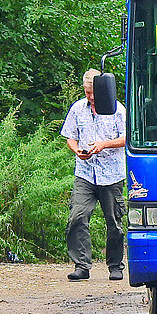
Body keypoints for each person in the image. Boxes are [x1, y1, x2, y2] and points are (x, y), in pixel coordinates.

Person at [60, 68, 127, 281]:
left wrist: (104, 145)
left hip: (112, 174)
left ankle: (115, 266)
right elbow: (70, 136)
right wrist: (77, 150)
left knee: (114, 222)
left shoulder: (118, 109)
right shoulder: (77, 109)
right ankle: (81, 265)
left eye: (93, 93)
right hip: (85, 173)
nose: (90, 97)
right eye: (87, 93)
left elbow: (128, 138)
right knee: (77, 217)